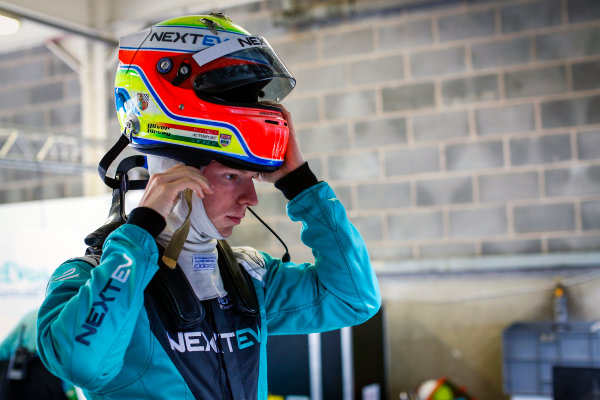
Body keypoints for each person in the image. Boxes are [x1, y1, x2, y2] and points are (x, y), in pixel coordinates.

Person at [36, 13, 381, 400]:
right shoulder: (91, 277)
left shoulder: (248, 276)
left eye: (253, 179)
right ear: (174, 178)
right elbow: (79, 363)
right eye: (233, 177)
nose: (251, 199)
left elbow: (354, 299)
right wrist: (140, 230)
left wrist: (300, 183)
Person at [0, 309, 75, 400]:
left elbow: (3, 350)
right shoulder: (71, 317)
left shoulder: (32, 315)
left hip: (13, 383)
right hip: (49, 383)